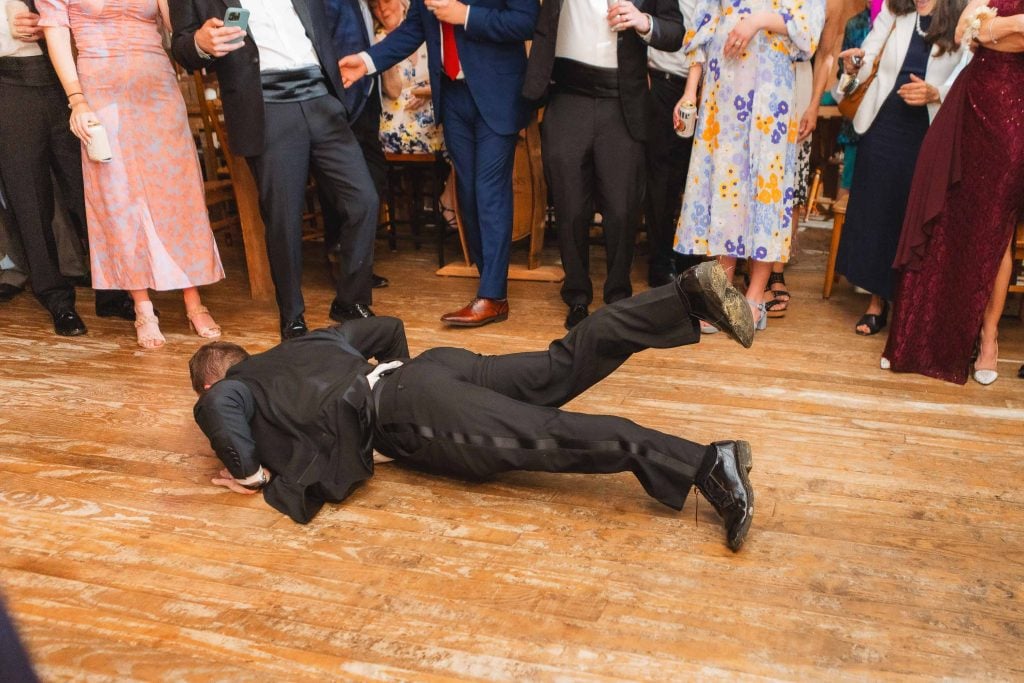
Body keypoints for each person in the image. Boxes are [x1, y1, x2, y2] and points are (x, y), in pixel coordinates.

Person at [190, 261, 757, 551]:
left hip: (413, 403)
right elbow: (385, 328)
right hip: (432, 371)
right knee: (562, 363)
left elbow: (221, 409)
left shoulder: (236, 387)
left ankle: (708, 464)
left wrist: (251, 473)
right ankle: (682, 297)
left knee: (550, 434)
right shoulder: (305, 346)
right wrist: (413, 384)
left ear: (217, 379)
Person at [171, 0, 379, 341]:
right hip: (267, 106)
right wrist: (199, 45)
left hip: (321, 98)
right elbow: (181, 46)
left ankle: (350, 301)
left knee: (364, 200)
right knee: (283, 217)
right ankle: (292, 316)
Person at [339, 0, 539, 327]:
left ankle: (493, 296)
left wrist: (467, 16)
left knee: (489, 191)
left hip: (497, 93)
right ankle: (488, 282)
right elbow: (414, 29)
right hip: (452, 96)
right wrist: (366, 61)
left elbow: (527, 21)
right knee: (469, 192)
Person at [882, 0, 1024, 384]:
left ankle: (988, 337)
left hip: (1014, 113)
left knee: (997, 228)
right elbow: (964, 32)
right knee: (946, 215)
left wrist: (993, 29)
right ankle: (927, 336)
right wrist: (1002, 29)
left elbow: (995, 34)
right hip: (970, 103)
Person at [523, 0, 683, 330]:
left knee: (623, 208)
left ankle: (618, 294)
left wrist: (644, 22)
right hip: (567, 97)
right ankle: (577, 295)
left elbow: (675, 33)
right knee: (570, 206)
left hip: (622, 103)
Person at [672, 0, 826, 332]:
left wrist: (759, 19)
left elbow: (809, 25)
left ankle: (755, 296)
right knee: (725, 191)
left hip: (770, 87)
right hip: (722, 85)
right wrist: (689, 92)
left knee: (766, 189)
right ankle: (723, 293)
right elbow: (704, 22)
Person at [0, 0, 137, 335]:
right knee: (30, 201)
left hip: (72, 78)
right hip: (9, 85)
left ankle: (113, 291)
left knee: (89, 189)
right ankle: (57, 300)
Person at [834, 0, 965, 336]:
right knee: (879, 210)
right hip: (885, 123)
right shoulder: (895, 9)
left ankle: (911, 302)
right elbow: (866, 58)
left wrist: (936, 92)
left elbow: (969, 71)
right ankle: (876, 302)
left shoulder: (961, 11)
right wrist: (851, 68)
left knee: (918, 212)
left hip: (930, 127)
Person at [321, 0, 390, 291]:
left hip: (368, 98)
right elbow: (324, 45)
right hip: (343, 100)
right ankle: (343, 261)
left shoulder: (366, 4)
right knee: (342, 187)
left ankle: (357, 263)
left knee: (374, 179)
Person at [644, 0, 702, 289]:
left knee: (697, 178)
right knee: (662, 179)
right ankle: (661, 259)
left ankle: (692, 258)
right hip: (663, 83)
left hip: (712, 89)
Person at [373, 0, 444, 154]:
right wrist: (384, 48)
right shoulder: (378, 41)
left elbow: (446, 77)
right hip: (399, 121)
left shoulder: (425, 29)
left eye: (386, 1)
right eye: (374, 7)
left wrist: (427, 92)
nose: (382, 9)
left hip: (434, 113)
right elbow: (393, 91)